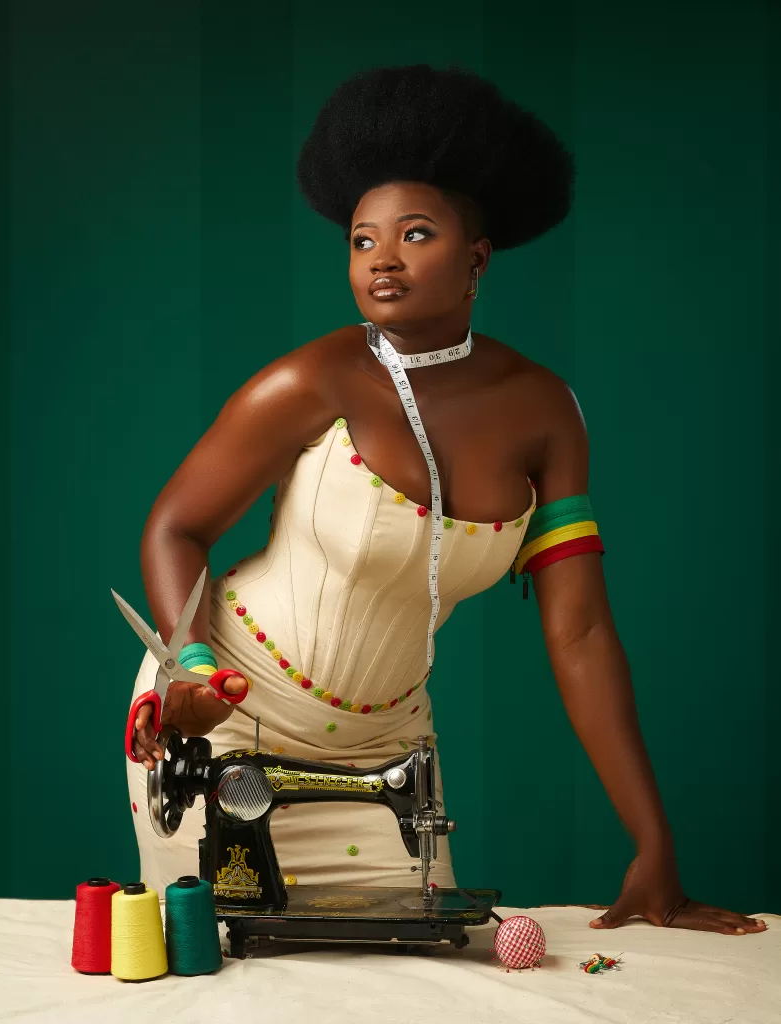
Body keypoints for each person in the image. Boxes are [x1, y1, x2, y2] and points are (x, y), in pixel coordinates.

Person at [126, 63, 765, 936]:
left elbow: (579, 633)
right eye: (362, 241)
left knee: (418, 975)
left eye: (415, 234)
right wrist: (194, 669)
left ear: (476, 259)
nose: (382, 260)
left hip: (388, 747)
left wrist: (653, 843)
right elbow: (177, 526)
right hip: (229, 725)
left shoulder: (545, 413)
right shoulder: (312, 381)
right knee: (225, 966)